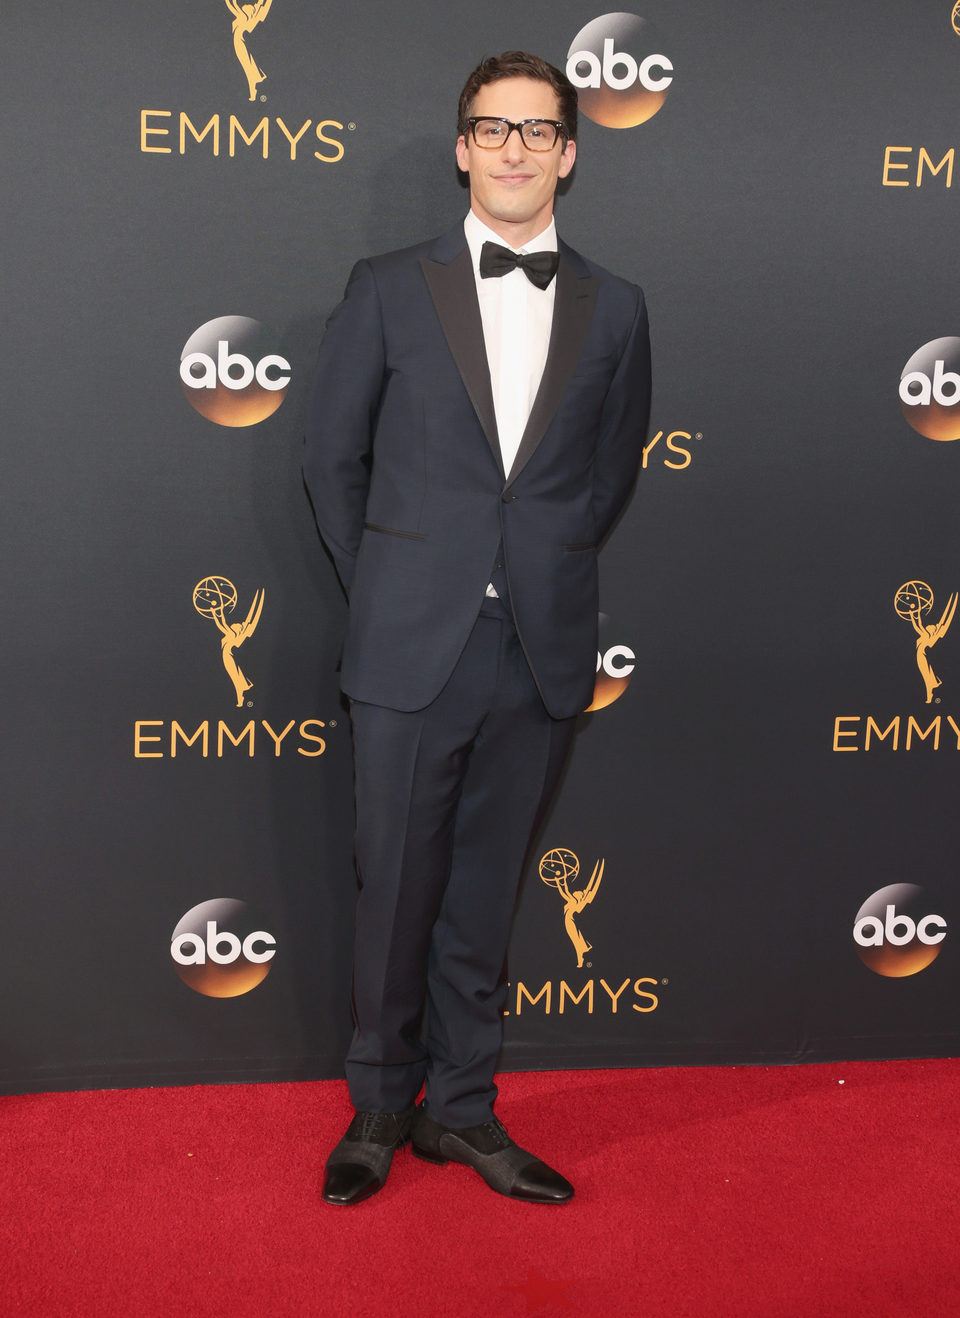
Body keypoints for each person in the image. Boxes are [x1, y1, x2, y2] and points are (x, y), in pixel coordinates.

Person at [304, 50, 651, 1207]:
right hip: (408, 648)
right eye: (492, 128)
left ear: (568, 153)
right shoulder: (388, 285)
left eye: (537, 129)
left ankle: (463, 1112)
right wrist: (397, 589)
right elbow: (329, 459)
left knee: (486, 894)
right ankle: (379, 1107)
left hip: (539, 651)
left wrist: (530, 573)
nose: (513, 147)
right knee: (393, 886)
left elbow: (607, 478)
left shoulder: (618, 307)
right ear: (463, 148)